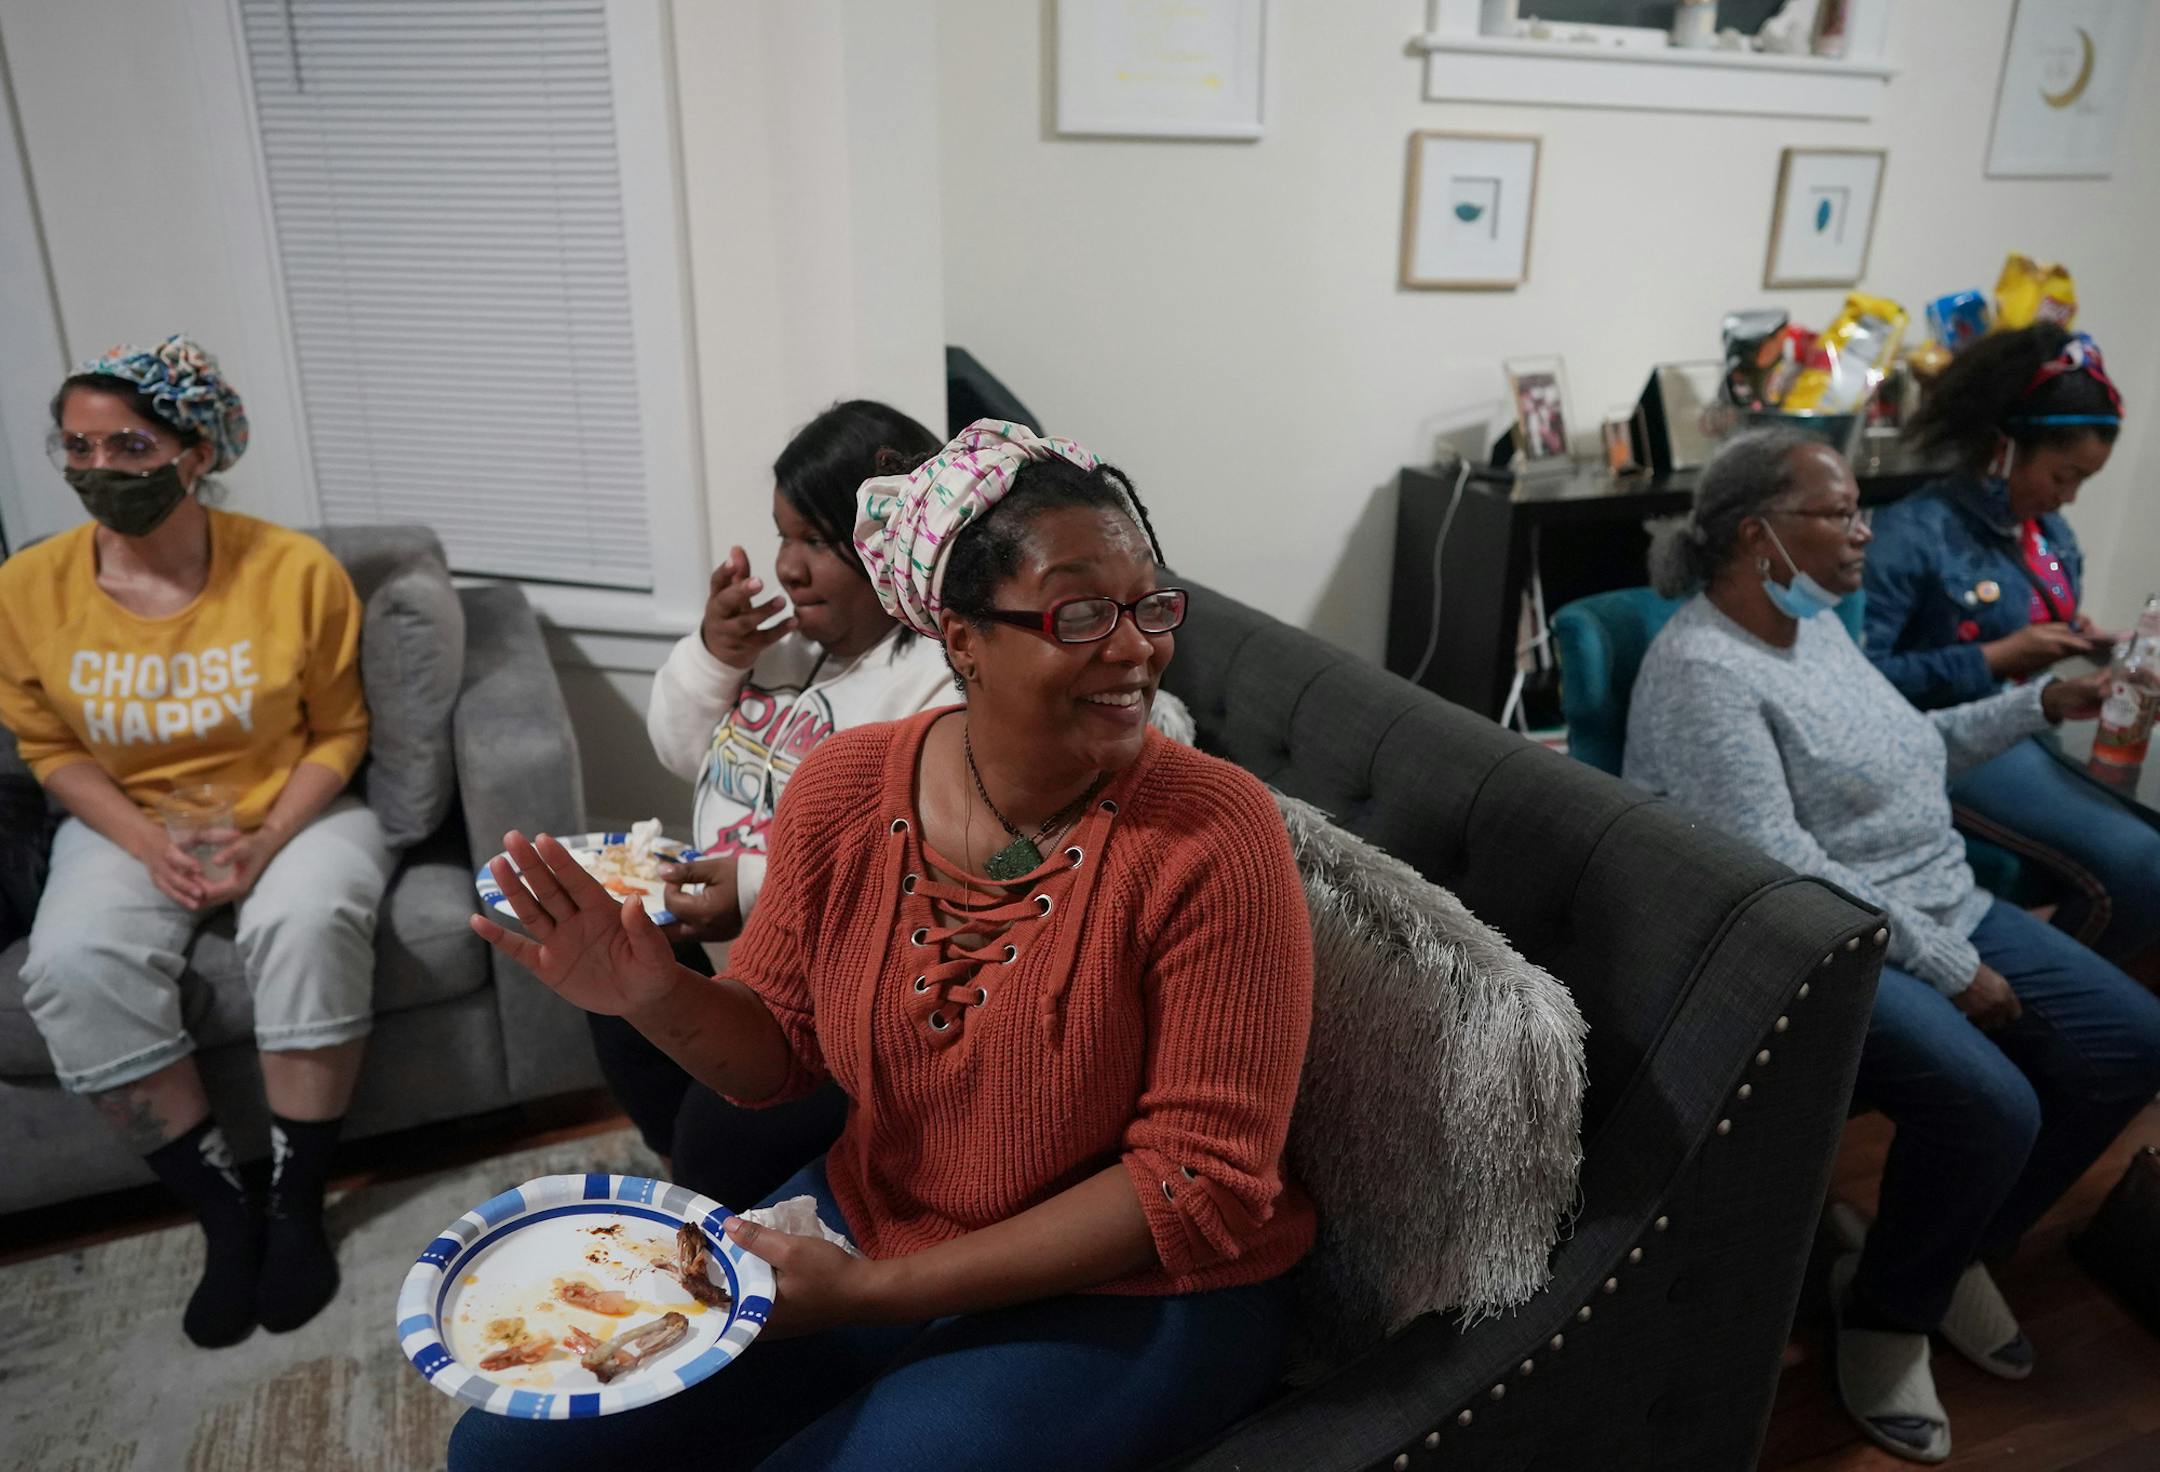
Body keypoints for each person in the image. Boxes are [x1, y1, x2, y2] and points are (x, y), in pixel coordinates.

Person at [453, 421, 1315, 1471]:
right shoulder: (845, 788)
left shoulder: (1215, 833)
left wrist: (870, 1292)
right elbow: (778, 1058)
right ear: (962, 637)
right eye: (1082, 613)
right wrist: (647, 992)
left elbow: (1199, 1179)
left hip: (1143, 1290)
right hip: (884, 1217)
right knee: (507, 1450)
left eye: (1150, 605)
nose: (1136, 647)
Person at [1626, 428, 2160, 1464]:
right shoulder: (1702, 671)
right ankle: (1885, 1315)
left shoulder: (1816, 627)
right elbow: (1782, 861)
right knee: (1993, 1106)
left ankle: (1945, 1251)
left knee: (2133, 1044)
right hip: (1823, 940)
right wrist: (1953, 967)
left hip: (1936, 899)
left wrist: (2039, 702)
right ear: (1759, 534)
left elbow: (1916, 747)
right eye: (1841, 512)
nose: (1865, 531)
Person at [0, 336, 393, 1347]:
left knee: (311, 919)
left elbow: (341, 731)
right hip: (127, 817)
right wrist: (142, 840)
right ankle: (226, 1213)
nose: (98, 469)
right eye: (77, 447)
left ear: (196, 453)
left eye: (128, 446)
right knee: (70, 964)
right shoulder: (27, 588)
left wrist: (269, 838)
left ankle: (296, 1202)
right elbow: (49, 746)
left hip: (287, 803)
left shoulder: (293, 571)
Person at [589, 400, 949, 1201]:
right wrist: (714, 657)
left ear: (895, 542)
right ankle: (689, 1168)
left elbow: (908, 863)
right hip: (725, 951)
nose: (789, 566)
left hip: (832, 997)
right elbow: (680, 750)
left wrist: (754, 890)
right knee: (612, 976)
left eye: (817, 541)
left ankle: (717, 1179)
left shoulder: (932, 683)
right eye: (783, 536)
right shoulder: (777, 650)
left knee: (717, 1135)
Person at [1865, 326, 2160, 963]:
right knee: (2144, 862)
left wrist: (2095, 643)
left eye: (2083, 481)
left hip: (2035, 723)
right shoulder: (1911, 534)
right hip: (1950, 741)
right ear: (2004, 448)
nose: (2069, 497)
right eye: (2063, 475)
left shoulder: (2048, 536)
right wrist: (1995, 658)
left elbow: (2048, 612)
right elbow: (1860, 682)